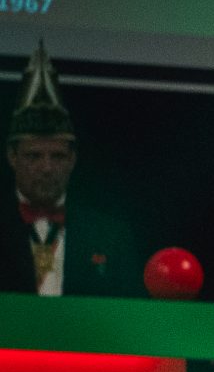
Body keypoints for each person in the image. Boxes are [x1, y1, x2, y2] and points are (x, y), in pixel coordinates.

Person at [3, 42, 134, 297]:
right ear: (12, 156)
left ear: (72, 159)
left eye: (57, 156)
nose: (46, 167)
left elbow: (130, 313)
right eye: (34, 156)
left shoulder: (110, 237)